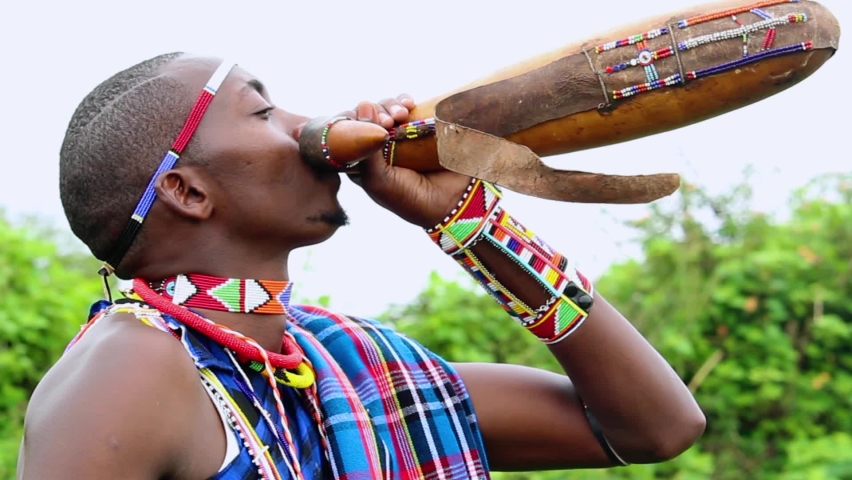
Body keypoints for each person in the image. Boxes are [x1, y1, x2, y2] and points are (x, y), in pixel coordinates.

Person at [17, 52, 705, 479]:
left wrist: (469, 224)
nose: (306, 126)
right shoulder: (132, 365)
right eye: (263, 111)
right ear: (188, 192)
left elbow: (656, 427)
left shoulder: (352, 369)